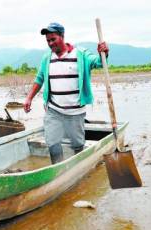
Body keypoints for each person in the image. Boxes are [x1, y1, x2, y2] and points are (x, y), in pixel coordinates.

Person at [24, 22, 109, 164]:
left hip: (75, 113)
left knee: (77, 144)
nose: (50, 43)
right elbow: (39, 79)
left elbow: (98, 62)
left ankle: (78, 167)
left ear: (62, 36)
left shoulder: (81, 54)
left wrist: (103, 53)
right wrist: (29, 98)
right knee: (52, 142)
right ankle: (57, 169)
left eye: (53, 39)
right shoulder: (47, 58)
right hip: (54, 111)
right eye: (48, 41)